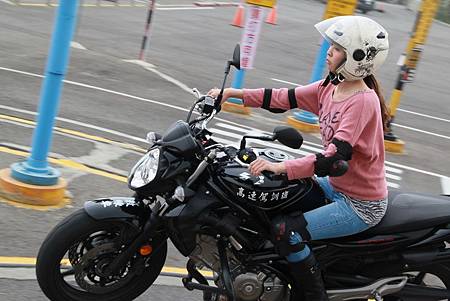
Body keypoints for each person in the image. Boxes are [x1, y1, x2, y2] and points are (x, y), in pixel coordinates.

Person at [208, 16, 390, 300]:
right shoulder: (331, 87)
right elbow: (284, 97)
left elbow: (333, 159)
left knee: (286, 231)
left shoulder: (362, 101)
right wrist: (233, 94)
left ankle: (312, 295)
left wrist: (282, 167)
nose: (329, 51)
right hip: (337, 187)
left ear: (358, 57)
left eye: (338, 47)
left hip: (360, 204)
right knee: (276, 200)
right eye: (331, 45)